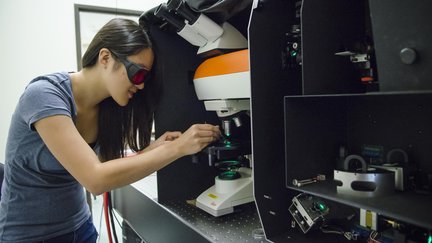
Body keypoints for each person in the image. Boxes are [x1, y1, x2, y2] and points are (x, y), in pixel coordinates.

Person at [0, 18, 220, 242]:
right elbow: (95, 179)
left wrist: (155, 149)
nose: (141, 84)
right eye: (138, 73)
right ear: (105, 57)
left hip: (79, 228)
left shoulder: (107, 107)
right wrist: (178, 149)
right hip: (28, 235)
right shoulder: (44, 95)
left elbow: (106, 165)